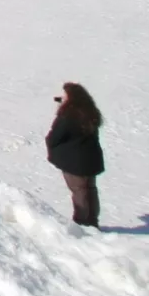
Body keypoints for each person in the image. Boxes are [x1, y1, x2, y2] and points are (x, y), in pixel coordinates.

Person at [46, 83, 105, 227]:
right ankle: (92, 221)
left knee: (80, 191)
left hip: (74, 163)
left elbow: (55, 137)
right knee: (90, 190)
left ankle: (82, 223)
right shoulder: (89, 112)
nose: (62, 98)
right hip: (91, 160)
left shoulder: (68, 115)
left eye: (65, 95)